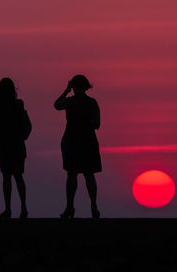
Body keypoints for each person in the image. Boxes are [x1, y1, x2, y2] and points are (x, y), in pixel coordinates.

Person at [54, 75, 101, 219]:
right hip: (88, 140)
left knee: (72, 174)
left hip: (72, 140)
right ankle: (94, 205)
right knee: (89, 174)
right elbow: (97, 125)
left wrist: (66, 90)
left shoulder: (70, 101)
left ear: (73, 87)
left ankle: (70, 207)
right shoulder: (92, 103)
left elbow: (56, 105)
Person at [0, 78, 31, 219]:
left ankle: (9, 209)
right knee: (18, 176)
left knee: (7, 176)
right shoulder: (18, 104)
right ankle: (23, 208)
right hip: (17, 145)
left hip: (4, 145)